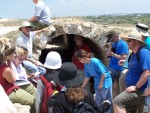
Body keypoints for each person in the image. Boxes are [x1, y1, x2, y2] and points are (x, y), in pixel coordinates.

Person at [113, 33, 150, 113]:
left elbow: (147, 72)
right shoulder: (132, 55)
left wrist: (136, 87)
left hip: (140, 90)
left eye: (129, 41)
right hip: (131, 89)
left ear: (136, 41)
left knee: (117, 101)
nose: (127, 43)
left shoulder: (144, 52)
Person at [0, 37, 35, 112]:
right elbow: (13, 80)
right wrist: (9, 62)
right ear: (7, 56)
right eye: (13, 53)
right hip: (9, 91)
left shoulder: (2, 65)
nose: (14, 55)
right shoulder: (6, 69)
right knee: (34, 101)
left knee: (31, 89)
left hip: (7, 87)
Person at [106, 30, 128, 98]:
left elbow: (124, 57)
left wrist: (113, 54)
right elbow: (110, 55)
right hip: (112, 66)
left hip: (118, 67)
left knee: (106, 82)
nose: (112, 41)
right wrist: (109, 53)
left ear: (116, 36)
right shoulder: (113, 43)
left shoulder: (123, 44)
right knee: (115, 87)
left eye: (112, 39)